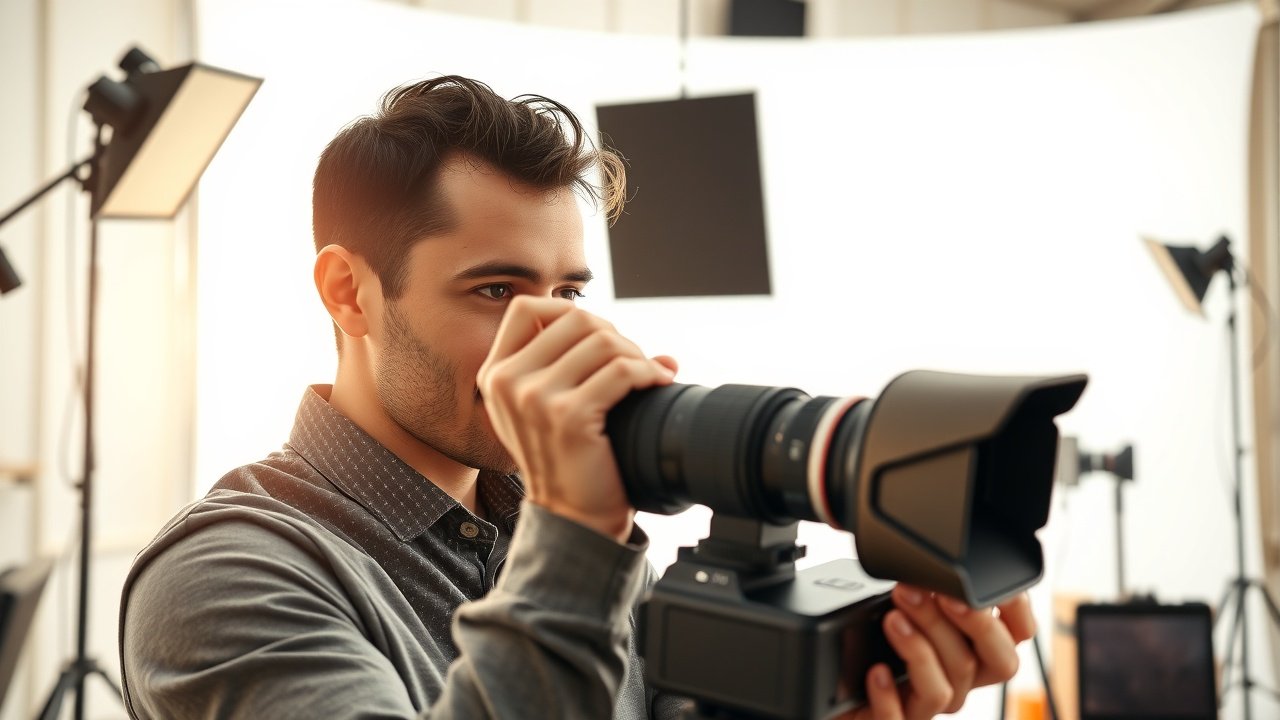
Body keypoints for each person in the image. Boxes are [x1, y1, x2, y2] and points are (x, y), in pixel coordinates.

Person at [118, 75, 1035, 719]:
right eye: (495, 292)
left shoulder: (549, 528)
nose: (552, 337)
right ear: (349, 292)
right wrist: (574, 537)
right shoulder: (222, 578)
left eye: (566, 294)